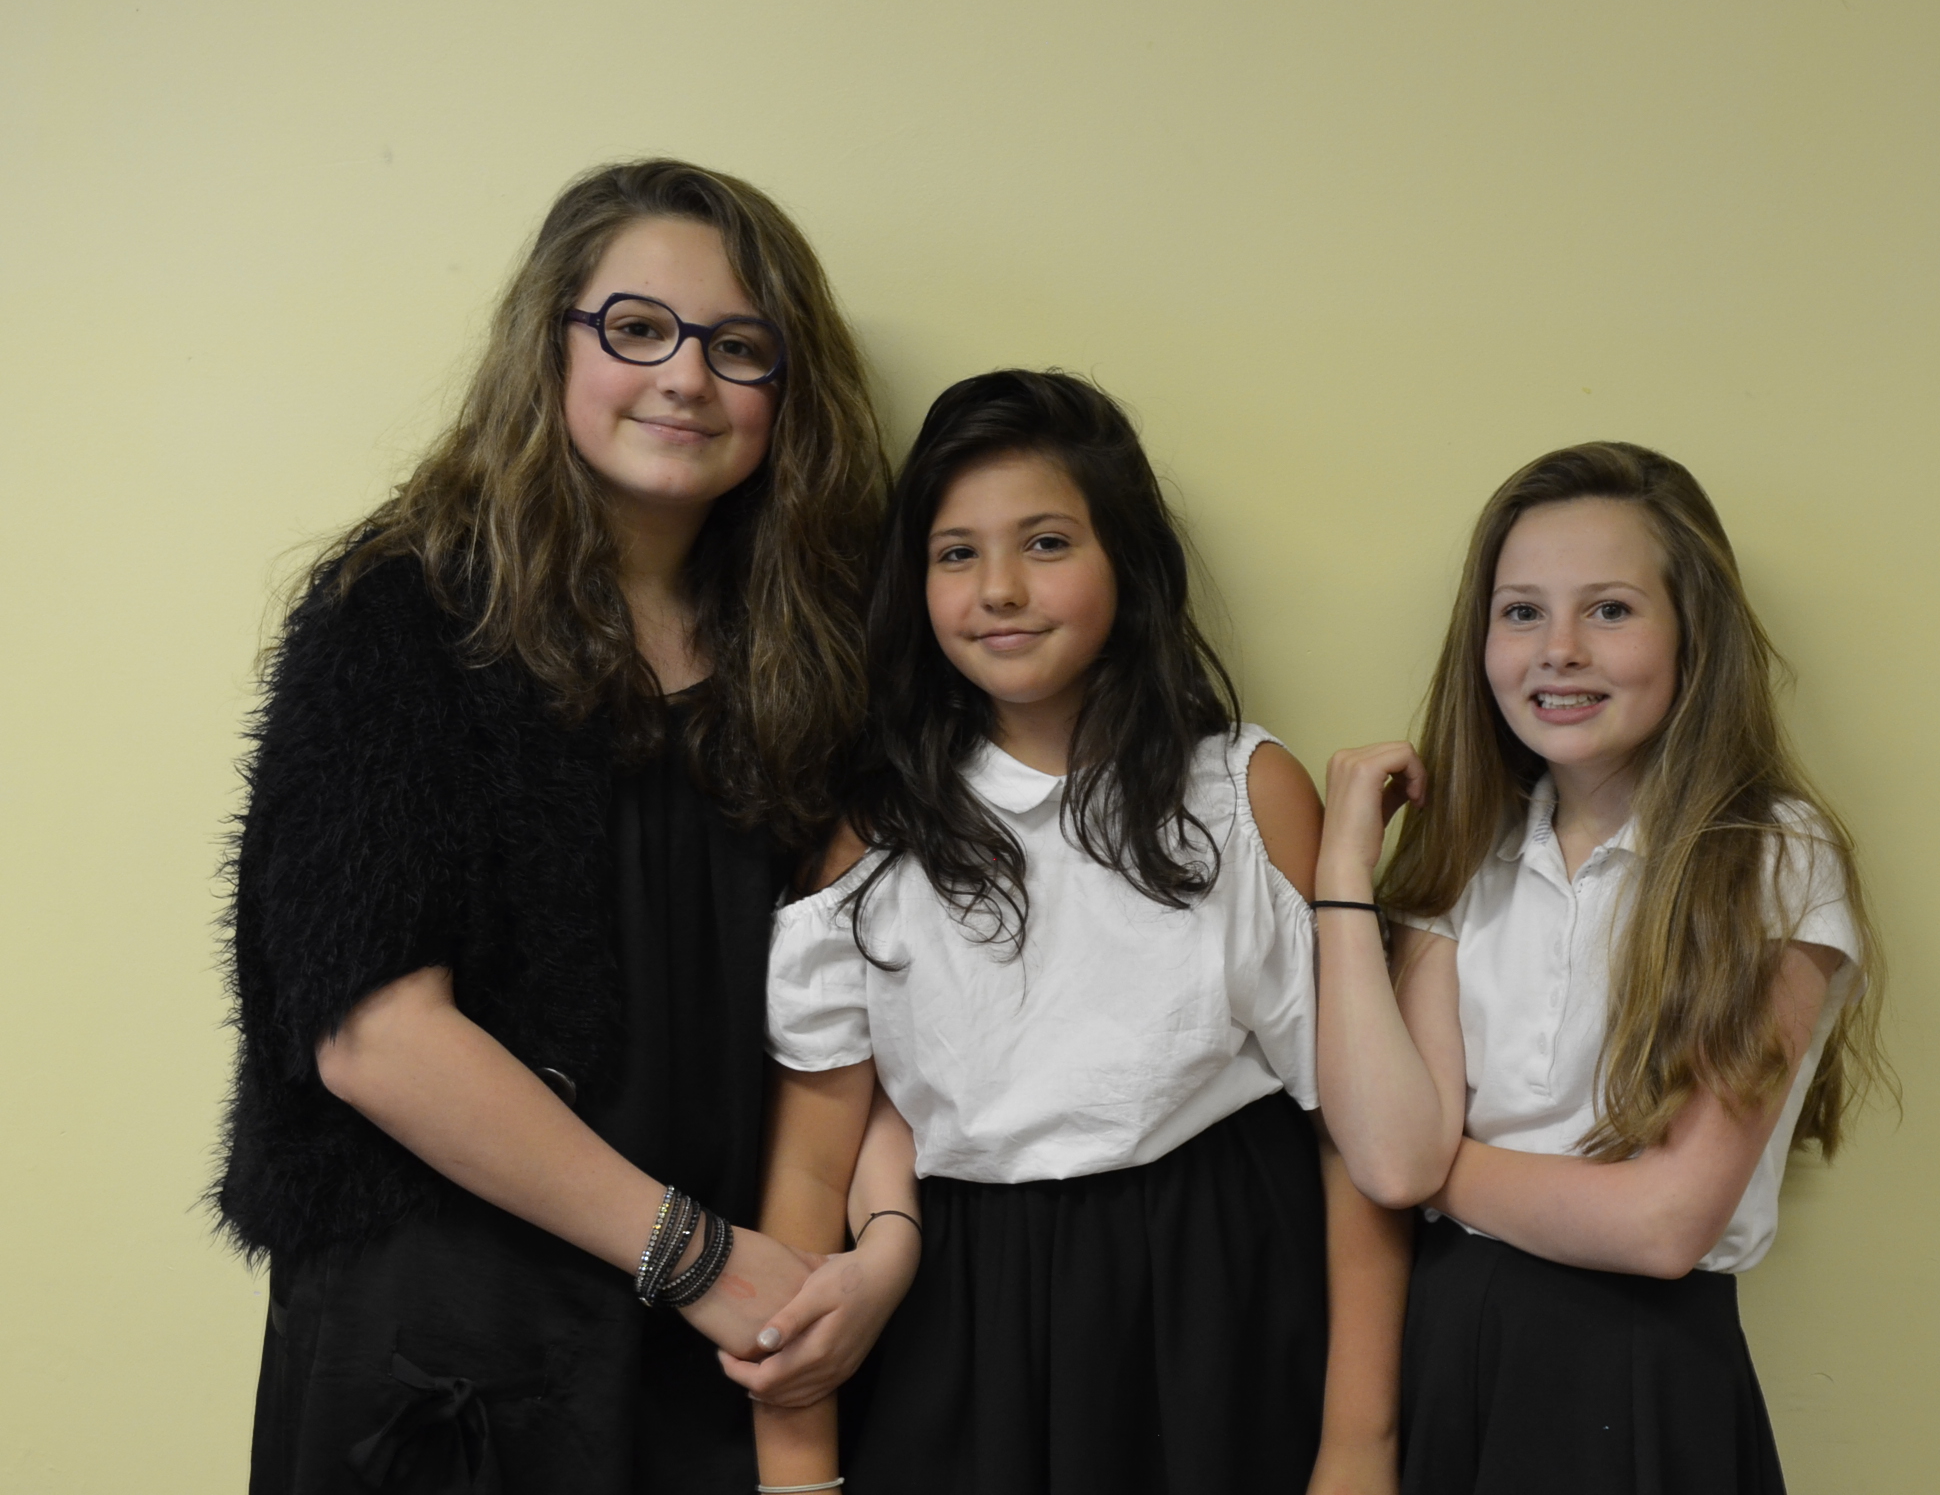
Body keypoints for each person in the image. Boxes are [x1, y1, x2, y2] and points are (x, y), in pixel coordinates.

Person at [215, 158, 891, 1492]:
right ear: (552, 344)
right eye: (637, 328)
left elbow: (884, 1003)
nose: (685, 377)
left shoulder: (818, 654)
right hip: (448, 1357)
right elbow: (373, 1036)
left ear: (788, 390)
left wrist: (875, 1255)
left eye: (738, 346)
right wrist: (693, 1256)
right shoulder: (400, 614)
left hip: (726, 1345)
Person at [748, 370, 1410, 1494]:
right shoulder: (874, 837)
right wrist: (796, 1478)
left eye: (1046, 543)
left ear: (1129, 563)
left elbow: (1350, 1135)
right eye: (956, 554)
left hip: (1224, 1304)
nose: (999, 589)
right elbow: (812, 1171)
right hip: (962, 1320)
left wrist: (1359, 1444)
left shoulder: (1243, 792)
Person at [1312, 441, 1887, 1494]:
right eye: (1521, 612)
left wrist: (1438, 1168)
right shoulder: (1465, 853)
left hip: (1637, 1361)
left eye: (1610, 611)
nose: (1559, 651)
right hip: (1448, 1349)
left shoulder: (1769, 856)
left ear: (1693, 635)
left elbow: (1665, 1225)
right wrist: (1344, 873)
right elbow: (1389, 1164)